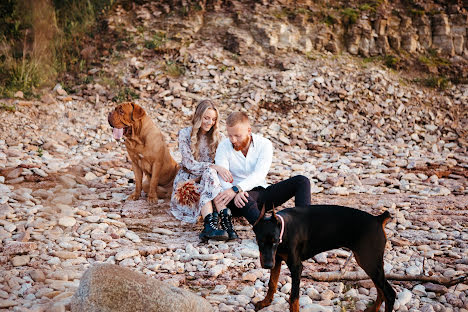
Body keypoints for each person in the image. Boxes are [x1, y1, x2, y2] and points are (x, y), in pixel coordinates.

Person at [214, 111, 311, 225]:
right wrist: (235, 192)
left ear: (249, 131)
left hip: (260, 194)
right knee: (245, 198)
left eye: (237, 136)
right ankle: (264, 228)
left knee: (302, 181)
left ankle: (305, 225)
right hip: (234, 200)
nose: (233, 140)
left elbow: (259, 174)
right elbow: (222, 176)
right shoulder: (223, 146)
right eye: (230, 135)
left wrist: (238, 189)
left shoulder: (264, 144)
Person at [170, 100, 237, 241]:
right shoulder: (185, 134)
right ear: (198, 116)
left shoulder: (219, 137)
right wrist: (213, 167)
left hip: (210, 180)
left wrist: (215, 168)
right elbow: (189, 164)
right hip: (189, 179)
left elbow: (224, 164)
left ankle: (217, 226)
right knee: (210, 171)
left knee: (210, 173)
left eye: (213, 119)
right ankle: (222, 226)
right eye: (206, 118)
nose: (209, 122)